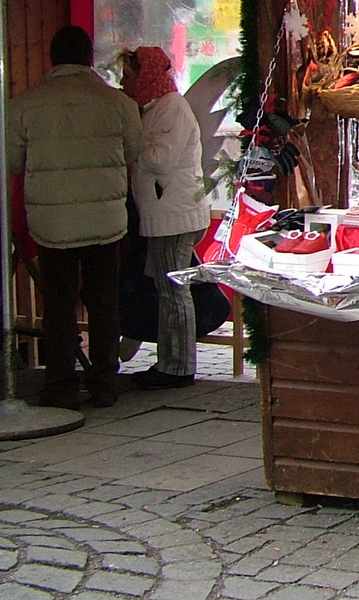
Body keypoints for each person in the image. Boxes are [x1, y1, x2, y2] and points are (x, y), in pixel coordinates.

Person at [6, 26, 143, 409]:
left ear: (52, 59)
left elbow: (13, 161)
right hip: (106, 219)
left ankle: (60, 386)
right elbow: (134, 150)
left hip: (53, 223)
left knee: (59, 304)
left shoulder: (24, 104)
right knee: (103, 302)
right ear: (88, 58)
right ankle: (104, 384)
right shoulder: (118, 103)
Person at [120, 47, 211, 390]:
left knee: (174, 290)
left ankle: (179, 367)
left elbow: (160, 160)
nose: (123, 82)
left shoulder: (171, 107)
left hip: (175, 215)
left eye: (128, 75)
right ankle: (169, 362)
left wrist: (132, 140)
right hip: (167, 213)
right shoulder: (154, 107)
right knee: (167, 288)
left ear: (145, 76)